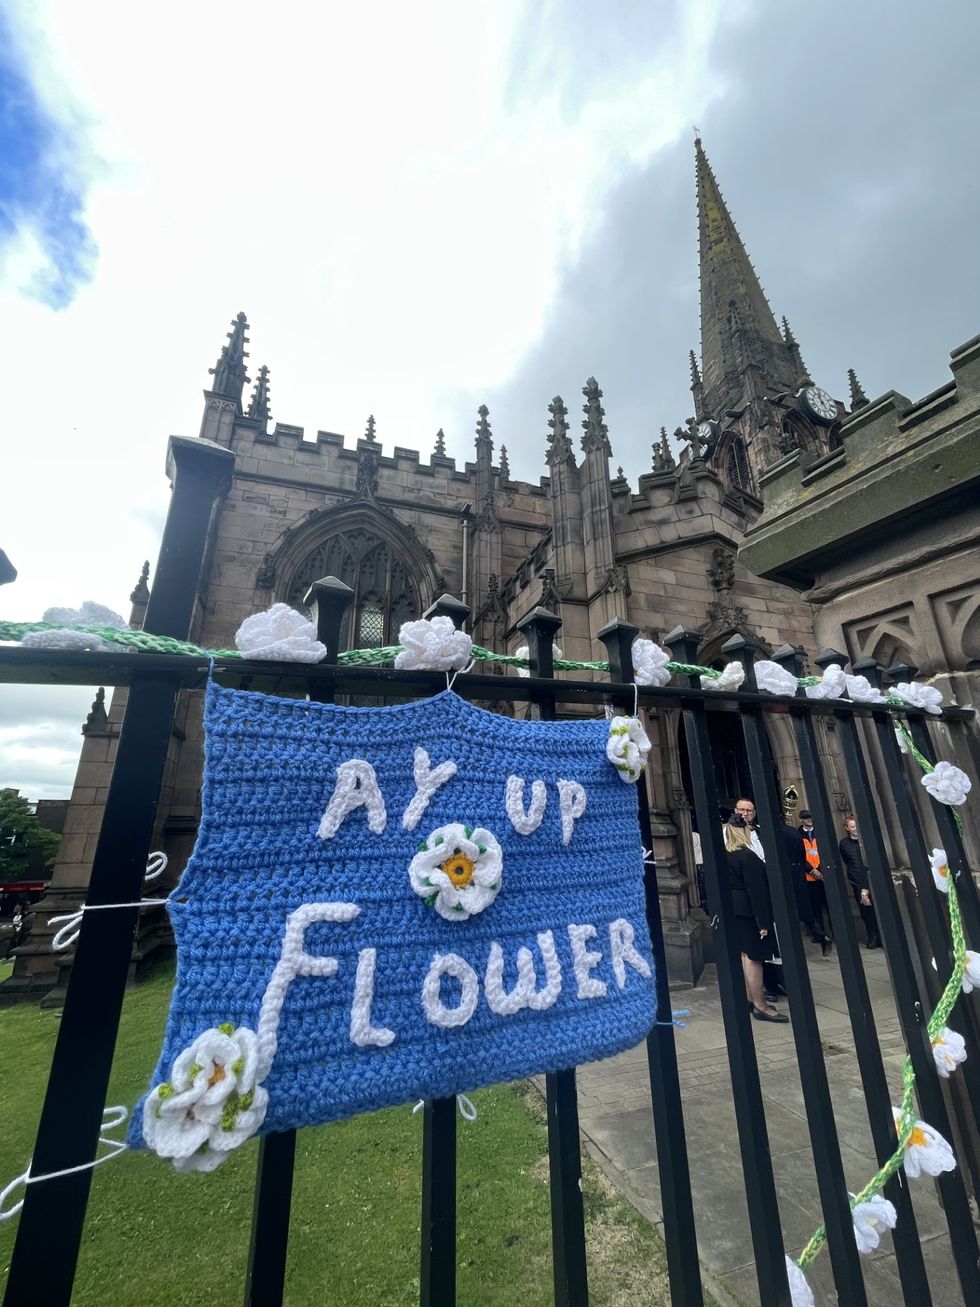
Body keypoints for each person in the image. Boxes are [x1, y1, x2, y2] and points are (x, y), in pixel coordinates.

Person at [722, 815, 789, 1023]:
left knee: (744, 956)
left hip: (734, 911)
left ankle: (750, 999)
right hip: (750, 912)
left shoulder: (726, 855)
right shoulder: (747, 857)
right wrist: (763, 922)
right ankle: (761, 1005)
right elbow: (756, 891)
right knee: (754, 958)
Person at [838, 815, 881, 948]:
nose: (855, 829)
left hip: (873, 879)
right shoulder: (844, 843)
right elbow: (847, 861)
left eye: (856, 826)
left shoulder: (867, 840)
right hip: (856, 881)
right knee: (866, 912)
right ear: (847, 828)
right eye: (852, 827)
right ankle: (873, 936)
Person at [799, 810, 832, 943]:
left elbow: (826, 851)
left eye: (810, 817)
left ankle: (835, 931)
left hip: (824, 874)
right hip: (809, 876)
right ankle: (819, 934)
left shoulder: (820, 832)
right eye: (806, 818)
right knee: (815, 906)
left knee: (830, 903)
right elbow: (799, 855)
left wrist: (820, 870)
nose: (809, 820)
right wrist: (812, 870)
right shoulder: (798, 834)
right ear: (801, 819)